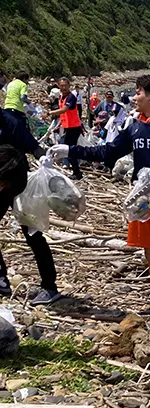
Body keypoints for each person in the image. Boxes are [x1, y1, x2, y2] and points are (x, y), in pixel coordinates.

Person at [49, 75, 150, 328]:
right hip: (143, 199)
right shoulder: (134, 126)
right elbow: (108, 152)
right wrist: (71, 150)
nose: (134, 97)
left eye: (138, 92)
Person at [0, 114, 64, 306]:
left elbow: (33, 145)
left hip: (19, 185)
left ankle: (49, 286)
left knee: (33, 233)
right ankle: (1, 279)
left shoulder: (9, 122)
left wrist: (44, 158)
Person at [46, 78, 84, 180]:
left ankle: (77, 172)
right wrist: (58, 125)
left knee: (70, 150)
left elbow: (64, 110)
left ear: (69, 86)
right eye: (61, 86)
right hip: (67, 127)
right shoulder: (62, 97)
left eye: (65, 85)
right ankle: (76, 171)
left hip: (74, 127)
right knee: (69, 150)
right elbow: (64, 115)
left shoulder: (71, 97)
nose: (63, 88)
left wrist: (49, 113)